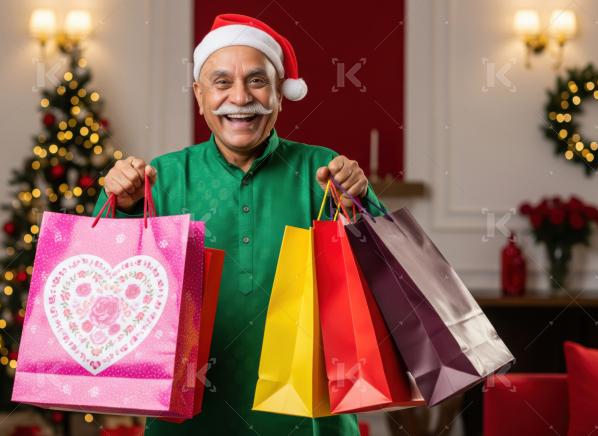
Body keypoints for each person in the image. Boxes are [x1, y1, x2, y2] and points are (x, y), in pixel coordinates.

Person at [93, 13, 386, 436]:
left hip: (311, 420)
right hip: (188, 420)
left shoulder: (324, 170)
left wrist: (358, 200)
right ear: (199, 95)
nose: (240, 97)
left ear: (280, 94)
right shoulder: (160, 179)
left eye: (257, 80)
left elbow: (385, 275)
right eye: (221, 82)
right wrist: (121, 204)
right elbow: (110, 294)